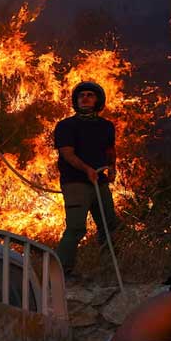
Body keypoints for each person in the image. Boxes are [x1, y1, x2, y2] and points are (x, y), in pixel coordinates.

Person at [54, 81, 119, 273]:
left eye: (90, 95)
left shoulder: (106, 126)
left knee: (110, 227)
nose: (85, 98)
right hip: (76, 183)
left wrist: (112, 168)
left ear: (97, 100)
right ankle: (61, 272)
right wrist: (87, 169)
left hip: (99, 183)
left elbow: (110, 149)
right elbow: (67, 153)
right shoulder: (66, 126)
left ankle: (110, 270)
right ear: (76, 101)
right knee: (75, 228)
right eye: (81, 95)